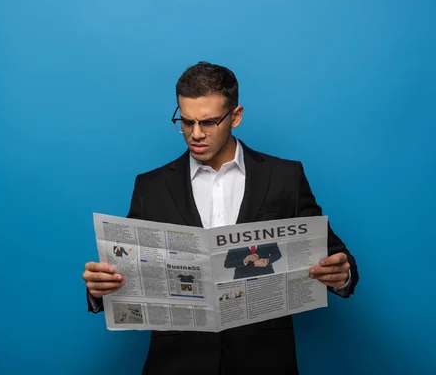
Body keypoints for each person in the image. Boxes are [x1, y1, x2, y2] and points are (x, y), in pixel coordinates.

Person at [82, 61, 359, 374]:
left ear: (236, 116)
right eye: (186, 122)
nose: (196, 134)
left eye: (209, 122)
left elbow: (334, 253)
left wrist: (341, 273)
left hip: (264, 362)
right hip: (176, 363)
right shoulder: (150, 187)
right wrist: (99, 288)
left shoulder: (284, 177)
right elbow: (128, 270)